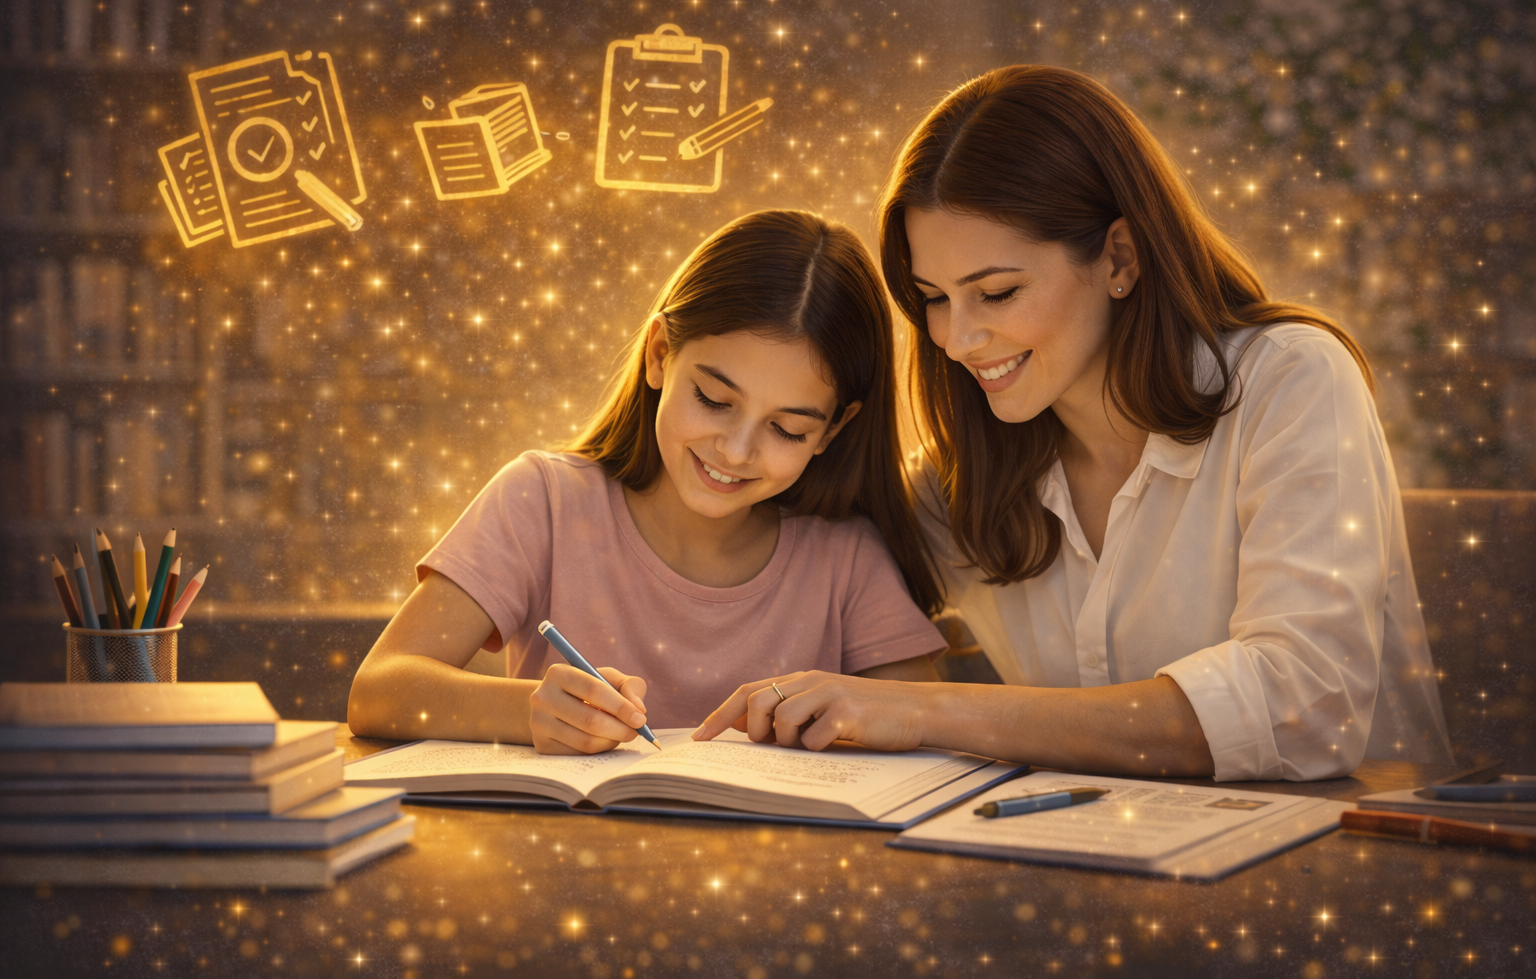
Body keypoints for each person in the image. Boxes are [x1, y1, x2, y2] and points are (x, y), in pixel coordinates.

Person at [695, 66, 1453, 782]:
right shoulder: (956, 487)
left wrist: (930, 710)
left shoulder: (1291, 381)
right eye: (933, 297)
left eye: (995, 293)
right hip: (1101, 879)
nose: (956, 340)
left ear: (1119, 257)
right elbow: (775, 572)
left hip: (1353, 864)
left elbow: (1304, 706)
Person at [348, 209, 945, 753]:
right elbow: (377, 691)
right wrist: (529, 709)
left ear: (833, 430)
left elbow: (925, 729)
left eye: (788, 429)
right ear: (660, 353)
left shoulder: (846, 557)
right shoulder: (543, 500)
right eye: (713, 399)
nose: (735, 451)